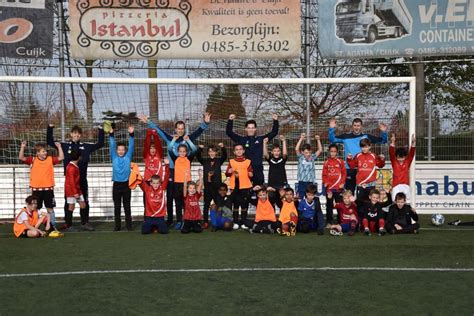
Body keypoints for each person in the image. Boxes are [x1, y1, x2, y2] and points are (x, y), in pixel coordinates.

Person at [138, 113, 210, 226]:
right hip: (171, 172)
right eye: (178, 128)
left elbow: (199, 131)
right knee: (170, 197)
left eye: (182, 129)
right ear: (175, 129)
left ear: (184, 129)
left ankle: (187, 219)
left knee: (185, 197)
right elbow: (159, 130)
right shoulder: (170, 139)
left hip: (184, 174)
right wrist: (148, 122)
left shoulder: (188, 138)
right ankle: (171, 220)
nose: (180, 130)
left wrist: (205, 122)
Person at [47, 124, 104, 231]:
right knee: (69, 203)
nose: (76, 135)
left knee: (85, 202)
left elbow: (100, 144)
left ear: (80, 135)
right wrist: (50, 128)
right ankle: (68, 224)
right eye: (74, 133)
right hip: (70, 181)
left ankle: (85, 222)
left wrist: (101, 130)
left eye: (78, 133)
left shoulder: (86, 146)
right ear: (71, 134)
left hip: (82, 180)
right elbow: (50, 142)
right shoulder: (64, 145)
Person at [328, 118, 388, 193]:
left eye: (358, 125)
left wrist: (384, 132)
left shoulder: (366, 137)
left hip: (364, 169)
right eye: (355, 125)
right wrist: (331, 128)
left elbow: (383, 141)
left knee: (364, 194)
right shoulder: (345, 136)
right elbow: (332, 140)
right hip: (350, 168)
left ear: (361, 126)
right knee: (349, 192)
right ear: (352, 126)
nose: (356, 127)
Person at [19, 140, 64, 230]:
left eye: (46, 151)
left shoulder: (50, 159)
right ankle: (35, 227)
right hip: (36, 190)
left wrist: (59, 147)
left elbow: (61, 157)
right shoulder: (32, 160)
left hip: (48, 189)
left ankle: (52, 227)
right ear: (38, 152)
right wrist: (22, 147)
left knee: (50, 208)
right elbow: (21, 158)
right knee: (35, 209)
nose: (45, 153)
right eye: (43, 151)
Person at [226, 113, 279, 185]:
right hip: (245, 170)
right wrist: (230, 120)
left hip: (258, 170)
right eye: (249, 128)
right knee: (245, 191)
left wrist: (275, 121)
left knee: (259, 190)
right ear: (246, 129)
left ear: (255, 129)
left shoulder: (261, 139)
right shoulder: (242, 140)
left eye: (252, 128)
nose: (251, 130)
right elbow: (229, 133)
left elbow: (274, 132)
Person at [168, 135, 197, 230]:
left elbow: (194, 149)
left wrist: (188, 140)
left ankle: (188, 220)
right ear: (177, 152)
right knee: (178, 204)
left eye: (184, 151)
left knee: (187, 204)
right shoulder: (175, 158)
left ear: (186, 152)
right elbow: (169, 149)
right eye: (180, 151)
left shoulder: (189, 158)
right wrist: (174, 140)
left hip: (187, 185)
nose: (182, 153)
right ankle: (179, 221)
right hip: (177, 184)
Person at [109, 126, 135, 231]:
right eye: (119, 150)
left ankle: (129, 226)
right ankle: (117, 226)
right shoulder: (114, 156)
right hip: (116, 185)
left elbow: (132, 145)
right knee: (117, 207)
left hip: (126, 185)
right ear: (116, 151)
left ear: (125, 151)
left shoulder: (128, 156)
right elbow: (112, 145)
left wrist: (131, 134)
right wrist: (111, 134)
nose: (120, 151)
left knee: (127, 206)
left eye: (122, 150)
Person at [196, 142, 227, 229]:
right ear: (208, 153)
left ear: (216, 152)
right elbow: (198, 157)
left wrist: (223, 147)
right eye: (210, 151)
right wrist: (200, 149)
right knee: (206, 205)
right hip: (208, 187)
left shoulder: (219, 161)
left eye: (213, 151)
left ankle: (219, 221)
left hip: (217, 187)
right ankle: (205, 222)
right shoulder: (205, 161)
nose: (212, 153)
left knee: (219, 204)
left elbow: (224, 156)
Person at [347, 138, 386, 205]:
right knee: (359, 203)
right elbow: (352, 166)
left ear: (370, 146)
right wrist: (349, 159)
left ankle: (370, 215)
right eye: (362, 147)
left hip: (371, 184)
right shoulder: (358, 155)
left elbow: (380, 165)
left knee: (371, 203)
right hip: (361, 184)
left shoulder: (373, 156)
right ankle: (360, 215)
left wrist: (382, 160)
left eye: (366, 147)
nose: (364, 149)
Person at [226, 143, 253, 229]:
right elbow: (227, 173)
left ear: (243, 151)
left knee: (244, 205)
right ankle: (236, 222)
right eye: (237, 149)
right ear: (234, 152)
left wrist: (250, 174)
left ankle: (244, 222)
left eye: (240, 149)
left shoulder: (248, 161)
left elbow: (251, 173)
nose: (239, 151)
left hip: (245, 186)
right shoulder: (231, 161)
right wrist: (229, 171)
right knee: (236, 205)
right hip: (234, 187)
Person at [139, 159, 170, 235]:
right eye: (154, 183)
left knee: (164, 231)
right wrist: (135, 171)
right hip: (150, 216)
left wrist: (167, 165)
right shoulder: (147, 189)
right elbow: (140, 180)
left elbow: (166, 176)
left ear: (160, 183)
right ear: (151, 183)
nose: (155, 185)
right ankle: (151, 225)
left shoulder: (162, 188)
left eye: (157, 183)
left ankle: (157, 226)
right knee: (144, 232)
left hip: (160, 216)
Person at [322, 143, 347, 225]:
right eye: (331, 151)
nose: (333, 153)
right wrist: (325, 182)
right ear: (329, 152)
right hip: (329, 188)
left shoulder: (340, 162)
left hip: (338, 188)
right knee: (329, 205)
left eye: (334, 151)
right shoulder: (326, 162)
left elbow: (344, 173)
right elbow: (324, 174)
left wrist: (342, 183)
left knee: (339, 205)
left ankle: (341, 221)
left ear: (337, 152)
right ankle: (329, 222)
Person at [64, 149, 87, 231]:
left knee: (83, 205)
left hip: (77, 190)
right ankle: (69, 226)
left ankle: (84, 223)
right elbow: (71, 181)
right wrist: (75, 192)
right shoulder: (71, 168)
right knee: (71, 207)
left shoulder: (73, 166)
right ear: (79, 157)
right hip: (72, 191)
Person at [295, 133, 322, 199]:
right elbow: (296, 149)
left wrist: (318, 140)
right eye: (306, 153)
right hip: (302, 182)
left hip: (310, 182)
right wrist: (301, 139)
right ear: (302, 152)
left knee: (310, 198)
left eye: (309, 152)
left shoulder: (312, 157)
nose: (308, 154)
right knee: (301, 198)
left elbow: (320, 150)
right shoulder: (300, 157)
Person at [389, 134, 416, 201]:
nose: (401, 159)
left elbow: (412, 153)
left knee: (406, 201)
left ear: (405, 157)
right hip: (396, 185)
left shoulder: (407, 162)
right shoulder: (394, 162)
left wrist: (413, 143)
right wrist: (392, 142)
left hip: (406, 184)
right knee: (395, 201)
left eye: (402, 157)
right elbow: (391, 153)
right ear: (396, 157)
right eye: (399, 158)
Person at [263, 135, 288, 206]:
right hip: (272, 184)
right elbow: (265, 154)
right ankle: (272, 216)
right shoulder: (270, 159)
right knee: (270, 200)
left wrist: (283, 141)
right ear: (272, 152)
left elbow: (285, 153)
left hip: (281, 184)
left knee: (283, 201)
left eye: (278, 151)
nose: (276, 152)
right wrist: (264, 143)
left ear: (280, 152)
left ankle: (283, 216)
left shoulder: (282, 159)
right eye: (274, 151)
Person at [181, 169, 204, 234]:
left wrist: (200, 176)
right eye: (190, 188)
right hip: (187, 218)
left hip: (195, 218)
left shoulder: (196, 195)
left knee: (198, 230)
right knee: (184, 231)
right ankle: (187, 226)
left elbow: (200, 185)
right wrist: (185, 176)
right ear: (188, 189)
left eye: (193, 188)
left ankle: (196, 225)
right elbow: (184, 186)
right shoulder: (186, 196)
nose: (192, 189)